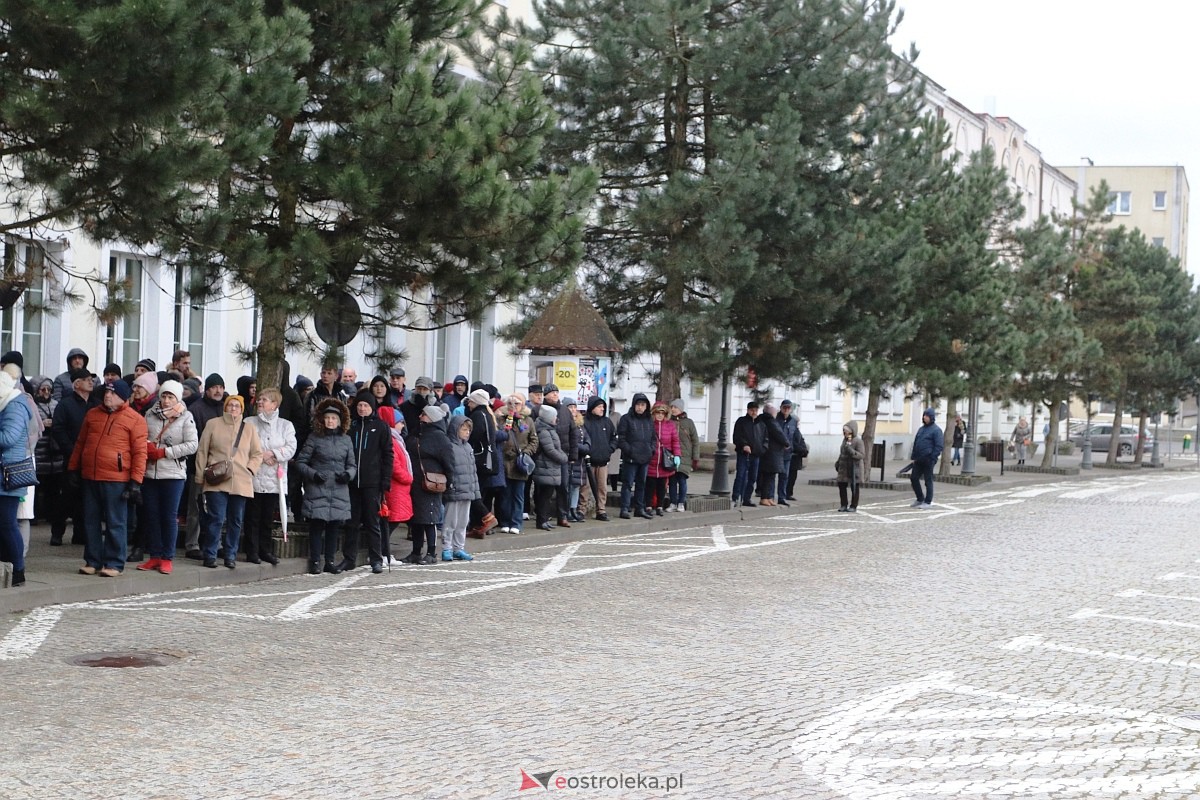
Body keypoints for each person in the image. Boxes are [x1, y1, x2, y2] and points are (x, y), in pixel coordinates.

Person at [68, 379, 148, 577]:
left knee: (115, 522)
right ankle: (92, 560)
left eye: (112, 393)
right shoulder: (92, 414)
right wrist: (73, 468)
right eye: (106, 392)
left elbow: (140, 453)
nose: (107, 395)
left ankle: (114, 562)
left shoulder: (135, 419)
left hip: (117, 478)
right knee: (90, 521)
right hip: (91, 475)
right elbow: (81, 443)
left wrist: (136, 482)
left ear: (122, 396)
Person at [194, 394, 263, 569]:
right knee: (216, 518)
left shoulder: (249, 429)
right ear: (225, 407)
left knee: (236, 520)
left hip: (241, 479)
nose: (233, 408)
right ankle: (210, 554)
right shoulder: (213, 424)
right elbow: (202, 451)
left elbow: (257, 453)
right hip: (216, 478)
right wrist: (200, 476)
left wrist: (250, 469)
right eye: (230, 405)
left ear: (241, 409)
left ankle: (230, 555)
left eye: (236, 406)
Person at [137, 380, 198, 574]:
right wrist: (147, 446)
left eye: (170, 396)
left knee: (169, 516)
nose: (166, 400)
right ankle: (154, 556)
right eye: (164, 395)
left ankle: (167, 557)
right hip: (151, 473)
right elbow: (142, 436)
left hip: (173, 474)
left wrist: (165, 452)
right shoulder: (150, 414)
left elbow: (192, 445)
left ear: (177, 398)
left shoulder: (186, 417)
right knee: (152, 516)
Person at [294, 399, 355, 574]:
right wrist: (313, 474)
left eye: (333, 418)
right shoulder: (314, 438)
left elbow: (352, 465)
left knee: (334, 528)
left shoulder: (346, 440)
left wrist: (348, 475)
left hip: (338, 488)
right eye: (327, 418)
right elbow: (301, 462)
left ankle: (329, 561)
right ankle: (315, 560)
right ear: (322, 420)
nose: (330, 421)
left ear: (339, 421)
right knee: (317, 526)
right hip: (318, 487)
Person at [338, 390, 392, 573]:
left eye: (366, 406)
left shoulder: (381, 427)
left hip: (372, 481)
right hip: (352, 482)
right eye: (360, 405)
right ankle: (349, 558)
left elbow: (387, 455)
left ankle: (376, 558)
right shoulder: (350, 425)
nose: (362, 409)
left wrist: (385, 480)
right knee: (351, 523)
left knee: (372, 522)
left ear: (372, 407)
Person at [245, 388, 297, 566]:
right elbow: (244, 446)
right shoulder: (249, 422)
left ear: (275, 404)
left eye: (264, 400)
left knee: (268, 518)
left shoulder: (285, 425)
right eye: (259, 400)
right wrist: (262, 455)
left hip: (275, 479)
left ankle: (265, 550)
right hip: (254, 476)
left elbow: (291, 448)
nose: (260, 402)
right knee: (252, 517)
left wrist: (274, 454)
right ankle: (251, 551)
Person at [183, 374, 228, 559]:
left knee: (217, 509)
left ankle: (215, 544)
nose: (218, 391)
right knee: (195, 507)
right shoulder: (196, 409)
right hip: (199, 465)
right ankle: (192, 544)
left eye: (220, 387)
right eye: (214, 387)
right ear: (207, 390)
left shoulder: (226, 409)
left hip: (222, 468)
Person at [50, 367, 94, 545]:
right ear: (77, 384)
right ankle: (57, 532)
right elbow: (58, 430)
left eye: (91, 379)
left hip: (90, 460)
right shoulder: (65, 404)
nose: (91, 382)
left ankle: (80, 534)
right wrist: (72, 450)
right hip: (71, 459)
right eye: (87, 379)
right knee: (66, 498)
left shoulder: (95, 404)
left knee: (86, 499)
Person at [406, 403, 454, 564]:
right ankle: (416, 552)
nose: (420, 416)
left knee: (430, 519)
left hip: (431, 484)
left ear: (431, 418)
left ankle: (431, 553)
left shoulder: (440, 438)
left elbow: (449, 462)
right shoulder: (418, 432)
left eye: (424, 414)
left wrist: (450, 482)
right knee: (417, 520)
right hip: (416, 482)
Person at [0, 370, 35, 587]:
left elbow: (9, 437)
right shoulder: (5, 404)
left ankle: (18, 569)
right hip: (3, 474)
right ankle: (7, 568)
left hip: (8, 475)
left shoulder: (14, 405)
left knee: (8, 524)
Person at [442, 415, 480, 561]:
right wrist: (449, 486)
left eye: (468, 430)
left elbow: (473, 470)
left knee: (463, 522)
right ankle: (447, 548)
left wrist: (475, 490)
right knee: (450, 521)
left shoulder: (468, 446)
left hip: (467, 490)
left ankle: (459, 548)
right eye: (464, 429)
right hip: (454, 489)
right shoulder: (449, 446)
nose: (467, 432)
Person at [378, 406, 412, 565]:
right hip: (396, 487)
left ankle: (385, 553)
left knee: (391, 522)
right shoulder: (391, 439)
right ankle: (382, 553)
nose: (402, 425)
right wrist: (407, 477)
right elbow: (394, 465)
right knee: (389, 523)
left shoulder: (396, 438)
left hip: (400, 488)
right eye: (400, 422)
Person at [499, 394, 538, 533]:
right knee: (505, 495)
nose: (514, 406)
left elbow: (534, 440)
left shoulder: (527, 420)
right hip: (505, 461)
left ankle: (516, 523)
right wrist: (509, 417)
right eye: (511, 403)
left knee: (518, 494)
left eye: (517, 403)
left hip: (520, 462)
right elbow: (501, 434)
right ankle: (505, 521)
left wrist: (526, 453)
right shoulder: (502, 418)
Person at [615, 393, 654, 519]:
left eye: (643, 405)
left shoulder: (649, 420)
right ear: (634, 405)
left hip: (645, 457)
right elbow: (621, 438)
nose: (640, 408)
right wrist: (630, 450)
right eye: (638, 405)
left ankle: (639, 508)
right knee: (627, 484)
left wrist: (651, 450)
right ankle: (625, 508)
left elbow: (654, 438)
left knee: (641, 484)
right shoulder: (626, 419)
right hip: (631, 457)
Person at [532, 404, 567, 531]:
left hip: (550, 468)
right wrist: (563, 458)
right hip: (546, 468)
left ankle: (544, 520)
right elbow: (550, 450)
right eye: (554, 417)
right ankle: (541, 521)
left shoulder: (549, 430)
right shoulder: (544, 431)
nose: (556, 419)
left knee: (547, 496)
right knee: (544, 496)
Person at [582, 396, 616, 521]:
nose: (602, 409)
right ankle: (581, 510)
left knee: (602, 487)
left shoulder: (607, 422)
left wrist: (609, 449)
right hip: (588, 461)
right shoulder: (585, 422)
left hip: (603, 461)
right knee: (585, 487)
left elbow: (614, 438)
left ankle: (601, 510)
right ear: (592, 408)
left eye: (603, 407)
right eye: (599, 407)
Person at [646, 401, 680, 515]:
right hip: (652, 459)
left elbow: (675, 441)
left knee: (662, 485)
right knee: (650, 485)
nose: (660, 415)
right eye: (657, 413)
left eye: (662, 413)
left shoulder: (670, 425)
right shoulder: (650, 424)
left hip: (664, 460)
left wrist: (677, 455)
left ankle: (660, 506)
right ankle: (649, 505)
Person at [756, 403, 791, 507]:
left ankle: (768, 497)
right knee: (769, 476)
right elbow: (779, 433)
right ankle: (765, 497)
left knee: (769, 476)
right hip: (772, 452)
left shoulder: (762, 419)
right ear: (771, 412)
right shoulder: (770, 421)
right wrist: (786, 443)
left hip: (768, 451)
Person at [731, 401, 765, 507]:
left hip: (756, 454)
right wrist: (744, 445)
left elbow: (765, 438)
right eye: (752, 410)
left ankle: (747, 498)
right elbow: (737, 436)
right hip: (743, 453)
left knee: (752, 477)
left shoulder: (761, 423)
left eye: (755, 410)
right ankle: (736, 497)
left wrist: (762, 449)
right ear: (748, 410)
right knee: (741, 475)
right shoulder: (741, 421)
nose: (754, 412)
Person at [909, 408, 944, 509]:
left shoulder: (936, 430)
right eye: (924, 415)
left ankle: (928, 501)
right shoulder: (921, 429)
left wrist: (932, 457)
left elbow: (939, 446)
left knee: (928, 480)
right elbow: (916, 443)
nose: (925, 417)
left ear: (931, 417)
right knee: (914, 478)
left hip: (929, 459)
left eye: (927, 416)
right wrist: (914, 456)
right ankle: (920, 498)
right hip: (919, 459)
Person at [835, 420, 866, 513]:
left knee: (854, 486)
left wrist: (851, 451)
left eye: (846, 431)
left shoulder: (858, 441)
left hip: (854, 467)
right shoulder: (845, 440)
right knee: (842, 485)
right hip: (844, 467)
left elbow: (861, 455)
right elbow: (842, 452)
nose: (845, 433)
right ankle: (843, 504)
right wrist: (838, 462)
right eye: (844, 431)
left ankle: (853, 505)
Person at [777, 400, 799, 502]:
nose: (786, 410)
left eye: (788, 408)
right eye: (784, 408)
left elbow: (795, 436)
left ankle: (782, 496)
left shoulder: (793, 421)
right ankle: (769, 496)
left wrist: (795, 448)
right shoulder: (776, 420)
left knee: (785, 476)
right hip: (776, 452)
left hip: (787, 453)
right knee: (772, 476)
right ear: (781, 408)